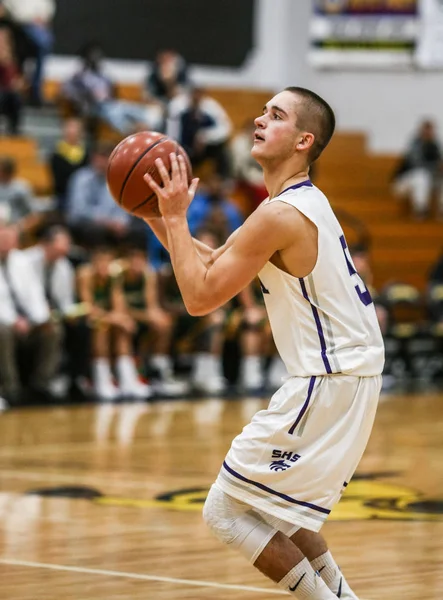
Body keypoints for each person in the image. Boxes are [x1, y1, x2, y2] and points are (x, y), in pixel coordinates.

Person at [143, 86, 384, 599]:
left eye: (275, 115)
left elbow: (199, 297)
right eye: (262, 111)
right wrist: (158, 218)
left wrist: (176, 218)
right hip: (346, 375)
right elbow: (209, 263)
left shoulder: (280, 214)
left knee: (226, 511)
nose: (258, 119)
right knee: (284, 511)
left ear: (303, 140)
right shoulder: (293, 205)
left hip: (330, 377)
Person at [77, 246, 151, 401]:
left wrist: (120, 319)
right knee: (102, 326)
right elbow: (88, 308)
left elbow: (119, 307)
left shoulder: (113, 277)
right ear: (94, 262)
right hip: (81, 320)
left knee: (121, 327)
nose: (104, 266)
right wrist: (116, 319)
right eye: (101, 262)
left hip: (105, 318)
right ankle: (101, 381)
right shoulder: (85, 275)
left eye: (107, 262)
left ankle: (127, 380)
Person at [0, 219, 61, 405]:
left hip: (28, 322)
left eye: (11, 238)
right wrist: (14, 321)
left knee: (52, 329)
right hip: (5, 322)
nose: (7, 242)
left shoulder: (22, 261)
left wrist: (39, 319)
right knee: (3, 331)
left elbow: (35, 295)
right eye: (3, 238)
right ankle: (11, 389)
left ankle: (42, 385)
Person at [392, 119, 443, 220]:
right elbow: (417, 164)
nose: (428, 134)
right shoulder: (414, 145)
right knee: (421, 175)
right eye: (426, 131)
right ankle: (420, 210)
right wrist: (437, 166)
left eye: (430, 131)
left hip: (427, 181)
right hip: (403, 183)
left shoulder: (436, 147)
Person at [49, 118, 89, 215]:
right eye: (69, 128)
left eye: (75, 128)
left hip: (84, 195)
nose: (72, 131)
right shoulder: (57, 153)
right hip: (63, 195)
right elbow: (58, 179)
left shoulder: (86, 154)